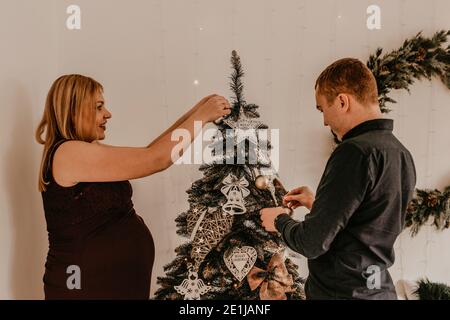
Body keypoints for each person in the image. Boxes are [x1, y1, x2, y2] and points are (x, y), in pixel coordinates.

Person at [35, 74, 231, 299]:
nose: (107, 114)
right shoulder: (69, 153)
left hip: (109, 284)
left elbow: (152, 150)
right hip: (81, 284)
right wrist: (201, 117)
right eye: (99, 107)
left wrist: (197, 111)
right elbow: (156, 159)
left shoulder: (82, 152)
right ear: (74, 111)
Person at [260, 58, 416, 300]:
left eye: (322, 109)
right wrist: (318, 204)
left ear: (342, 101)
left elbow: (311, 243)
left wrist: (278, 221)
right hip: (379, 292)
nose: (324, 121)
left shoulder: (354, 151)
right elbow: (368, 224)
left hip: (341, 292)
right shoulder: (401, 153)